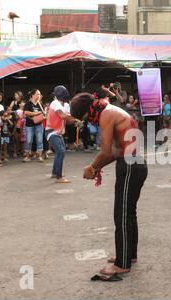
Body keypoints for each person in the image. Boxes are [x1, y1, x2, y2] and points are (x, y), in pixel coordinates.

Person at [70, 88, 148, 278]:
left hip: (130, 165)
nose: (89, 122)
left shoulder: (106, 114)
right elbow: (115, 151)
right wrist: (95, 168)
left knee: (121, 213)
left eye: (86, 118)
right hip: (133, 164)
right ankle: (129, 255)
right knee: (128, 212)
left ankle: (122, 263)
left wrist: (91, 167)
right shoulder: (111, 110)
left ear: (88, 111)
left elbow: (106, 152)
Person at [45, 85, 77, 183]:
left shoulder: (65, 105)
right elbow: (63, 116)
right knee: (60, 151)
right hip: (51, 131)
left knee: (61, 153)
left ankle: (55, 173)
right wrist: (75, 117)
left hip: (58, 132)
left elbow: (67, 120)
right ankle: (59, 177)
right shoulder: (55, 103)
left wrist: (76, 121)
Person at [23, 89, 45, 162]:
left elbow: (43, 113)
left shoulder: (40, 104)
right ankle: (27, 156)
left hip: (39, 124)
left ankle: (40, 156)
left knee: (39, 140)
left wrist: (44, 115)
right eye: (37, 94)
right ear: (32, 95)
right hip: (29, 125)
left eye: (39, 94)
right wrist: (36, 113)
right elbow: (25, 112)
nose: (39, 96)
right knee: (29, 140)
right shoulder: (28, 104)